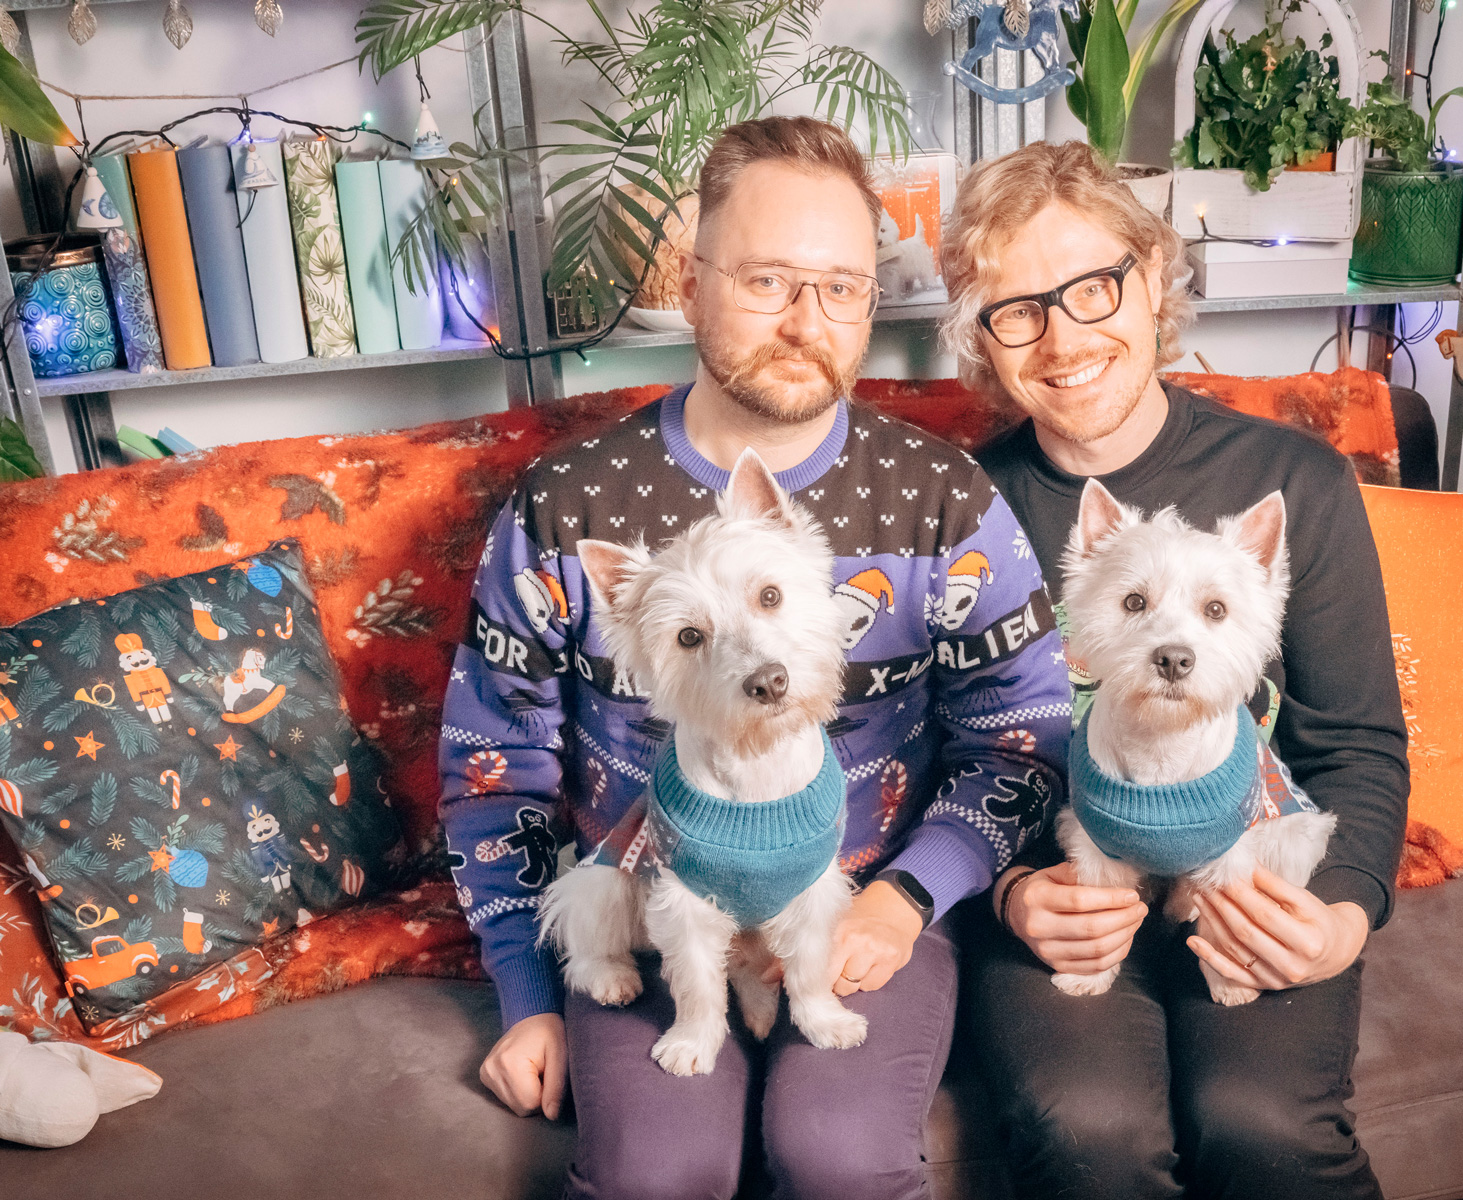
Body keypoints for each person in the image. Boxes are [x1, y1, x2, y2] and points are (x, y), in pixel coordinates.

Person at [438, 116, 1071, 1200]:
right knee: (654, 1171)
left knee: (839, 1152)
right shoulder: (567, 508)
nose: (805, 320)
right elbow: (493, 773)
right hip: (656, 900)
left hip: (865, 896)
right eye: (768, 280)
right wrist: (527, 995)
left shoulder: (943, 500)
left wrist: (909, 896)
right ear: (691, 285)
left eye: (842, 287)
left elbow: (1022, 740)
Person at [939, 140, 1409, 1199]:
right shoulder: (962, 508)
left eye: (1093, 286)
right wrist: (1008, 895)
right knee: (1089, 1131)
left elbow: (1357, 744)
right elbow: (923, 754)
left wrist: (1339, 919)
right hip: (1061, 885)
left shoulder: (1295, 479)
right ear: (981, 335)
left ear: (1153, 277)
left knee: (1265, 1125)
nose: (1064, 338)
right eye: (1017, 310)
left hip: (1250, 870)